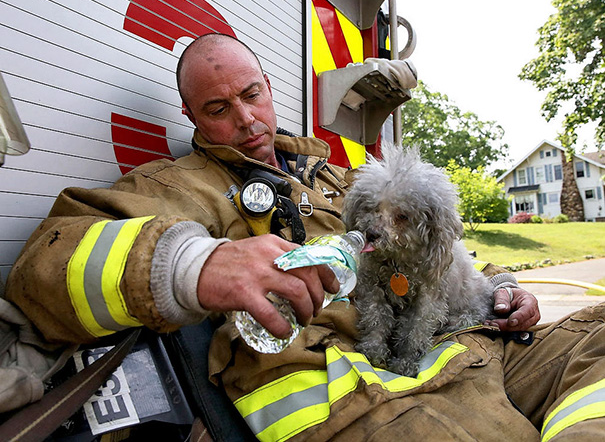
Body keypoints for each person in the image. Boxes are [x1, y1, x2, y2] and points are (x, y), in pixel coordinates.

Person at [5, 34, 604, 441]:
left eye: (251, 95)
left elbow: (433, 251)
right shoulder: (177, 185)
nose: (245, 119)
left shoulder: (341, 175)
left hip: (473, 343)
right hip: (376, 388)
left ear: (270, 88)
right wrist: (198, 265)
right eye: (217, 108)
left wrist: (497, 289)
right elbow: (46, 263)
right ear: (191, 116)